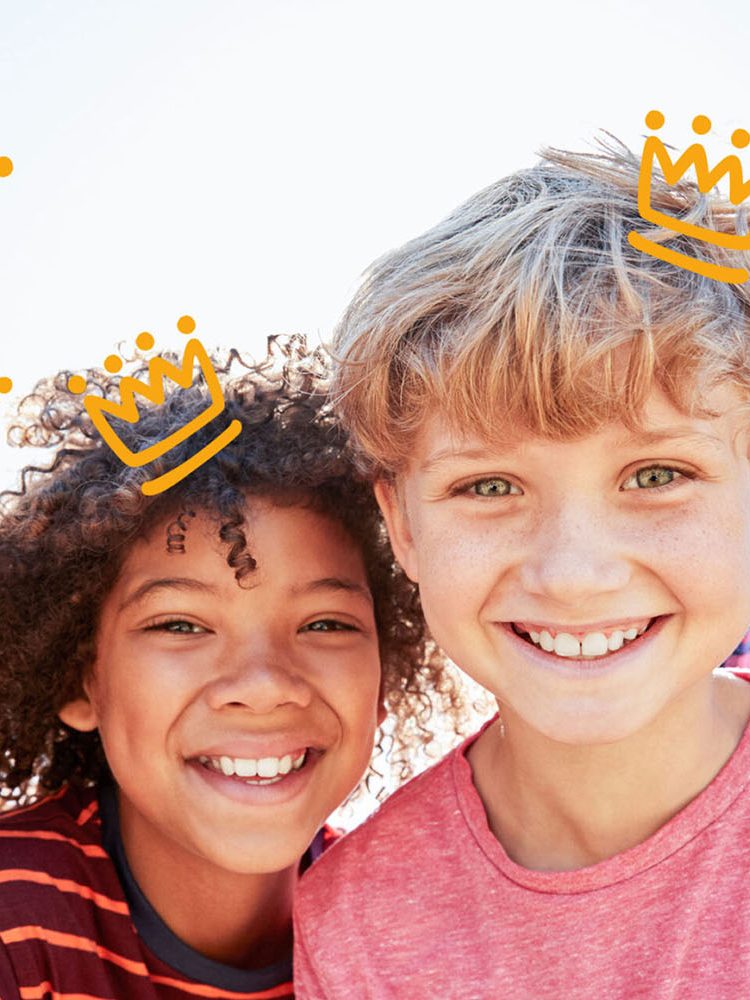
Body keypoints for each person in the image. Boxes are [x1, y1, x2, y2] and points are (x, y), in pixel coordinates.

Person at [293, 143, 750, 999]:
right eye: (489, 485)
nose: (574, 574)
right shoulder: (353, 927)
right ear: (403, 526)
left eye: (656, 475)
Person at [0, 335, 456, 999]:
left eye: (325, 625)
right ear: (78, 677)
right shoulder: (17, 926)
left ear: (383, 677)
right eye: (181, 625)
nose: (265, 683)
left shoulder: (404, 943)